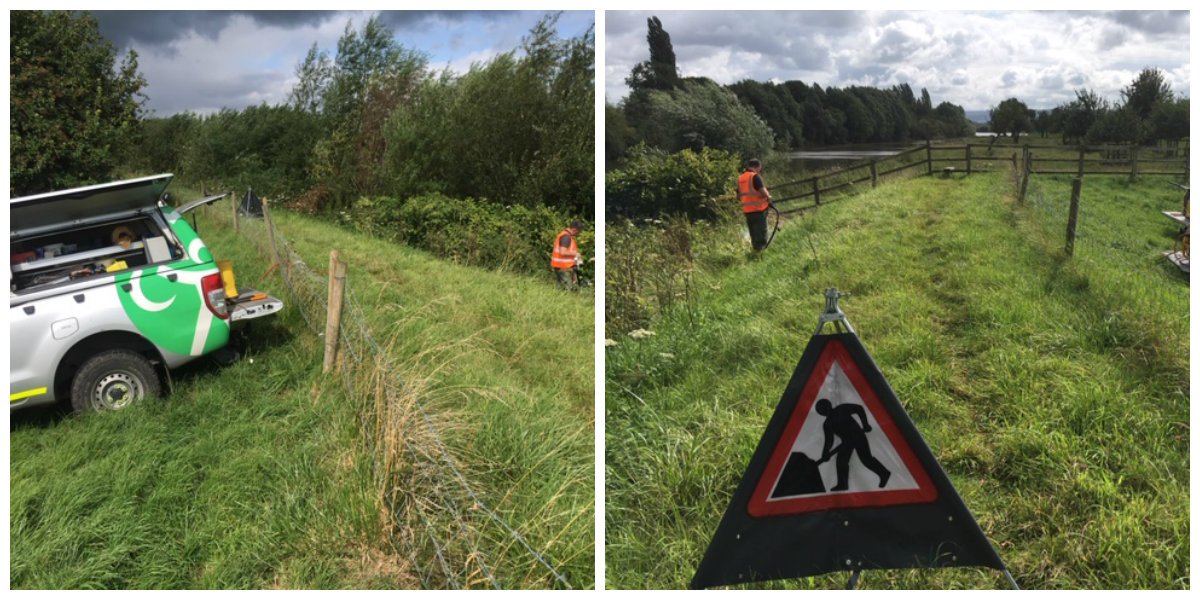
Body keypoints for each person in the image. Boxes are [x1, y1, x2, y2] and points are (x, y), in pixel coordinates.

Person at [815, 398, 891, 491]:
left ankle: (884, 473)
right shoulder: (827, 424)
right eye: (822, 410)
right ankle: (843, 484)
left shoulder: (841, 409)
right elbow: (829, 440)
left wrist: (865, 424)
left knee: (866, 459)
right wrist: (825, 452)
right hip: (846, 442)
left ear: (829, 405)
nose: (825, 411)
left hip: (858, 436)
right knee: (841, 461)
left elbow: (859, 408)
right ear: (821, 413)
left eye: (825, 407)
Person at [737, 159, 773, 252]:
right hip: (758, 210)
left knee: (753, 233)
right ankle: (761, 254)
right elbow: (764, 193)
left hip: (747, 211)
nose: (759, 171)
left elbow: (739, 196)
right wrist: (769, 197)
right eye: (759, 169)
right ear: (757, 167)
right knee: (761, 234)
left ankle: (755, 252)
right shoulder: (755, 177)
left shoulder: (740, 178)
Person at [551, 221, 584, 290]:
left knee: (562, 289)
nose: (578, 234)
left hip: (562, 267)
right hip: (563, 268)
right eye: (578, 232)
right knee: (567, 290)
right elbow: (563, 252)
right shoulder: (566, 237)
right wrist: (576, 254)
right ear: (574, 230)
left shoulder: (565, 236)